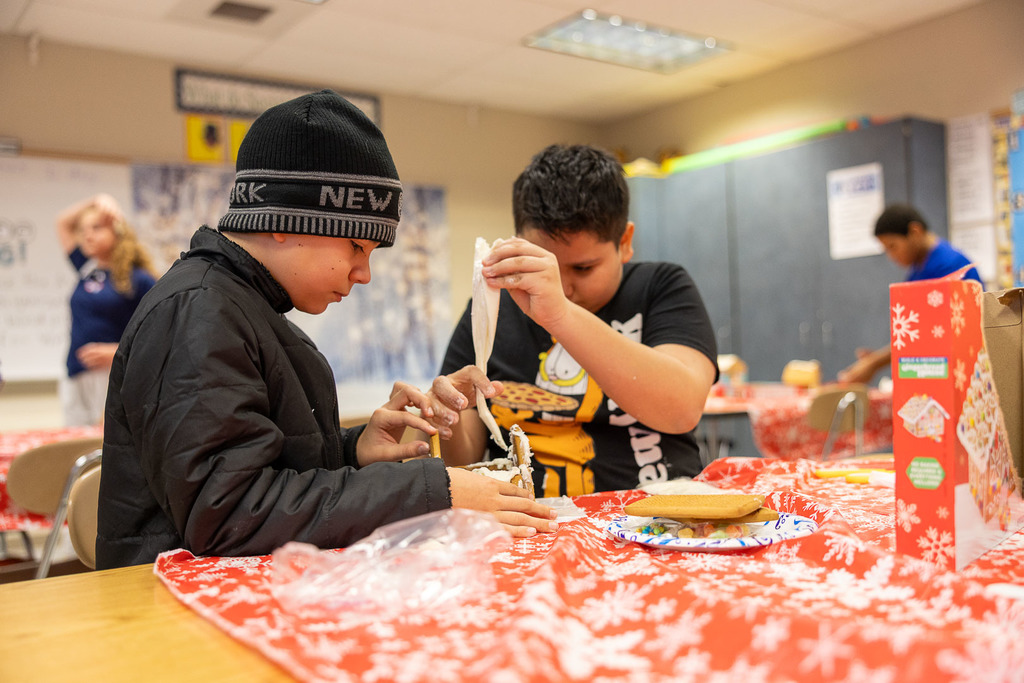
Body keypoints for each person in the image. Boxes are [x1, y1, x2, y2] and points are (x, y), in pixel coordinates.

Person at [96, 90, 556, 569]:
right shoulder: (196, 312)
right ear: (282, 218)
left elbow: (259, 471)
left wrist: (351, 450)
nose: (364, 274)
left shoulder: (241, 309)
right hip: (168, 619)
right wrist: (429, 490)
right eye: (357, 247)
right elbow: (228, 513)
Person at [437, 144, 719, 497]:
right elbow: (465, 455)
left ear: (625, 241)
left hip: (654, 519)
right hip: (533, 526)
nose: (562, 286)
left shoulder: (661, 286)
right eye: (544, 264)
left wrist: (560, 315)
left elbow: (682, 409)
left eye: (583, 268)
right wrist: (441, 420)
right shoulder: (490, 313)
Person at [838, 203, 982, 384]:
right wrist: (880, 357)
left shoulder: (945, 266)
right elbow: (916, 333)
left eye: (893, 246)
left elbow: (930, 331)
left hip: (961, 372)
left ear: (915, 231)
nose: (891, 256)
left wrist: (875, 363)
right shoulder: (919, 267)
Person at [56, 193, 159, 426]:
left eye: (96, 227)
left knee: (106, 445)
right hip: (76, 373)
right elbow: (62, 222)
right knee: (75, 444)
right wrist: (95, 200)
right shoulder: (86, 270)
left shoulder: (140, 280)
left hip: (113, 374)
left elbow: (159, 333)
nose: (87, 235)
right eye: (83, 230)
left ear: (118, 232)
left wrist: (116, 351)